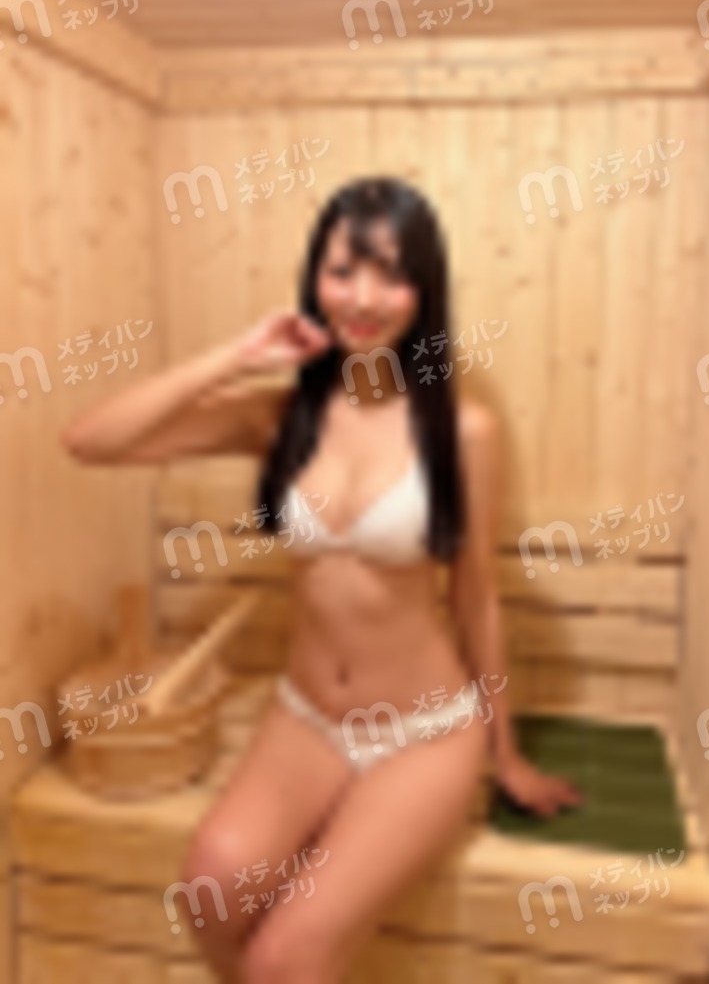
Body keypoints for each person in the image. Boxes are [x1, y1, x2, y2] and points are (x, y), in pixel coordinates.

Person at [62, 176, 582, 984]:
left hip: (422, 732)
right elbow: (92, 441)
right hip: (305, 716)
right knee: (208, 894)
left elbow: (476, 594)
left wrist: (504, 751)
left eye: (391, 274)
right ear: (314, 280)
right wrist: (238, 357)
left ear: (424, 288)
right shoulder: (282, 415)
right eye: (343, 271)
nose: (363, 298)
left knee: (288, 956)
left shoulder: (462, 430)